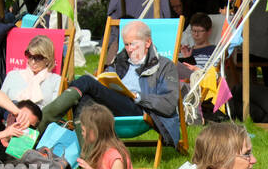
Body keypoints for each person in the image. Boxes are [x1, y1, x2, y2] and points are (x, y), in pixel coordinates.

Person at [48, 20, 181, 153]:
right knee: (84, 97)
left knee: (86, 82)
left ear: (147, 43)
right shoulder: (120, 63)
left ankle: (48, 118)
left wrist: (139, 97)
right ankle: (88, 157)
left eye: (133, 44)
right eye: (126, 44)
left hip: (138, 108)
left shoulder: (164, 66)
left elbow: (169, 103)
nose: (129, 49)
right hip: (112, 106)